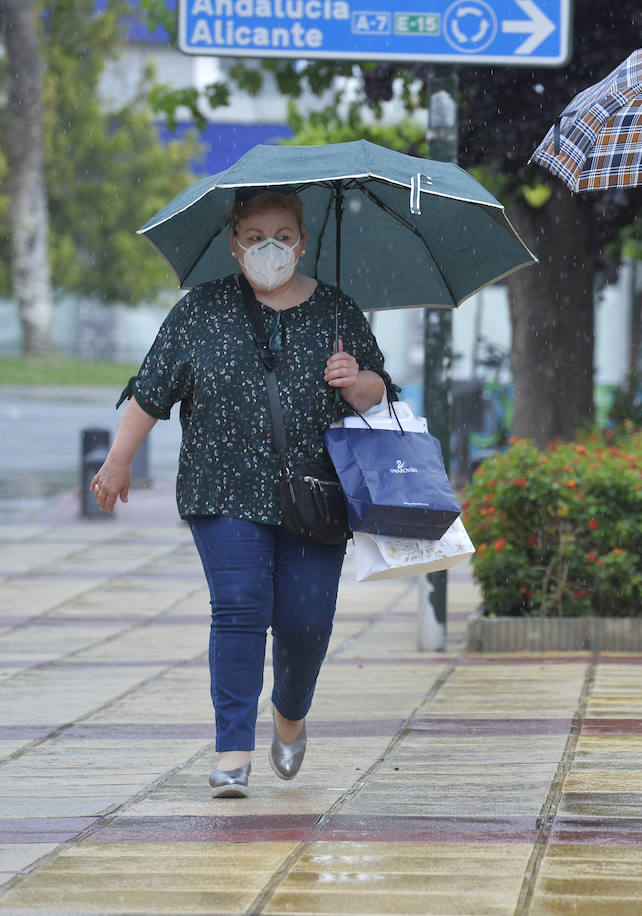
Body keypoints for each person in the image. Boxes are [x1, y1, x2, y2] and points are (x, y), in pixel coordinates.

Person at [91, 189, 393, 798]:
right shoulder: (200, 311)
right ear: (234, 245)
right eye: (255, 237)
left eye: (282, 235)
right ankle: (232, 746)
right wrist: (118, 461)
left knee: (305, 622)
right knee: (240, 607)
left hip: (315, 494)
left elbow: (381, 395)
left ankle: (290, 710)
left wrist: (356, 380)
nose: (269, 248)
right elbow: (151, 392)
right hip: (221, 487)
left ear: (303, 241)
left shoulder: (339, 312)